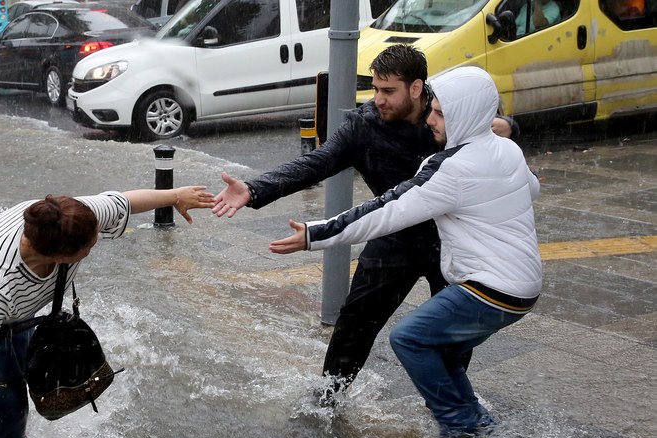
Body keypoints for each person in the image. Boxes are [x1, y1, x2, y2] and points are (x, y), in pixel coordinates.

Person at [211, 44, 517, 405]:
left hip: (450, 240)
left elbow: (493, 127)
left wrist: (508, 126)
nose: (379, 100)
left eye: (389, 91)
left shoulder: (446, 115)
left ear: (416, 88)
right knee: (355, 321)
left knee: (448, 337)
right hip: (394, 234)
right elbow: (317, 162)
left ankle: (451, 410)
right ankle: (328, 399)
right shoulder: (364, 126)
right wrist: (253, 188)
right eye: (375, 89)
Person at [269, 66, 542, 438]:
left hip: (489, 288)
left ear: (466, 115)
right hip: (524, 289)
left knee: (410, 338)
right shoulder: (507, 150)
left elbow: (386, 211)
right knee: (445, 352)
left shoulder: (453, 168)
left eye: (441, 114)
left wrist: (314, 234)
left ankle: (459, 427)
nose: (430, 120)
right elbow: (530, 186)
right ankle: (478, 428)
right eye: (432, 110)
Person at [0, 187, 214, 438]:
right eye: (88, 248)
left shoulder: (69, 218)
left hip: (16, 310)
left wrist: (175, 195)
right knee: (8, 396)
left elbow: (123, 202)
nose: (95, 243)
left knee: (19, 376)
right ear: (60, 256)